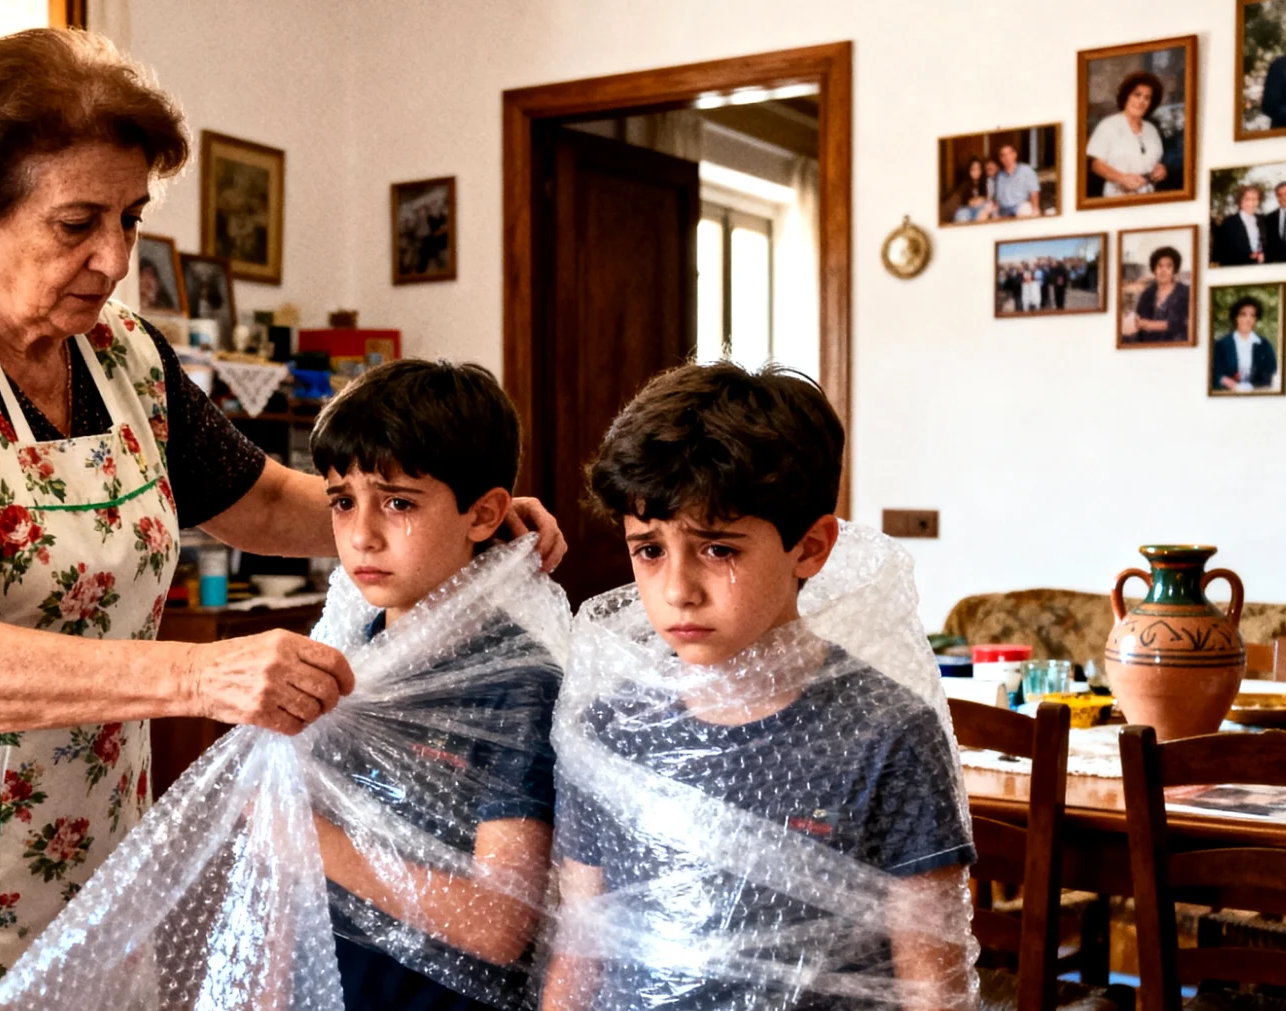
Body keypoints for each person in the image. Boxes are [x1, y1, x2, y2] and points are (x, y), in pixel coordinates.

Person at [0, 29, 566, 1011]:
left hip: (77, 814)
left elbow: (258, 499)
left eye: (129, 217)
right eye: (77, 223)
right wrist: (203, 672)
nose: (115, 259)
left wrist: (453, 535)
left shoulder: (122, 353)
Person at [542, 363, 975, 1011]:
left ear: (811, 547)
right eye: (649, 549)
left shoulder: (886, 730)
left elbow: (930, 983)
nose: (677, 588)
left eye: (718, 549)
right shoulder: (609, 728)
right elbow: (581, 954)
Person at [308, 359, 563, 1011]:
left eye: (397, 501)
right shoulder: (349, 645)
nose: (361, 532)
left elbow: (500, 924)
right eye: (343, 500)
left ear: (483, 515)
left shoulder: (515, 682)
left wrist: (311, 838)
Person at [1086, 71, 1168, 197]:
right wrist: (1121, 178)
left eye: (1147, 98)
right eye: (1137, 95)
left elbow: (1155, 161)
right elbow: (1096, 165)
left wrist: (1160, 169)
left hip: (1149, 197)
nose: (1141, 101)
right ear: (1126, 96)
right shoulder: (1109, 125)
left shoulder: (1152, 130)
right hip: (1117, 198)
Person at [1212, 297, 1280, 393]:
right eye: (1243, 314)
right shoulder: (1221, 345)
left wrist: (1252, 387)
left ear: (1256, 319)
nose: (1248, 319)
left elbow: (1271, 373)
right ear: (1236, 317)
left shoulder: (1264, 345)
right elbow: (1215, 374)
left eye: (1252, 315)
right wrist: (1226, 381)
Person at [1128, 245, 1190, 344]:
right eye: (1159, 266)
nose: (1163, 271)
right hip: (1147, 346)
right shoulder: (1147, 293)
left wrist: (1148, 325)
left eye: (1169, 266)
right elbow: (1138, 320)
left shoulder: (1185, 292)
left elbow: (1180, 324)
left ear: (1174, 270)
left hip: (1176, 345)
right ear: (1154, 269)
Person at [1214, 185, 1267, 266]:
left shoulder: (1263, 220)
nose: (1251, 203)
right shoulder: (1229, 223)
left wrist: (1262, 254)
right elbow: (1222, 253)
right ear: (1240, 201)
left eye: (1255, 199)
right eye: (1247, 199)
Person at [992, 142, 1042, 218]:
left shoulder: (1026, 170)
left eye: (1009, 154)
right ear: (1001, 159)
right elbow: (997, 199)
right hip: (1003, 210)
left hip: (1020, 207)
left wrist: (1035, 210)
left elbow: (1034, 193)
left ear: (1015, 154)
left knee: (1026, 209)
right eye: (1003, 155)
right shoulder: (999, 176)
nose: (1006, 157)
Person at [947, 156, 997, 223]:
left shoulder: (984, 183)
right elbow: (962, 203)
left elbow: (986, 199)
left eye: (979, 169)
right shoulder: (964, 186)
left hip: (978, 212)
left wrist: (982, 200)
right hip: (964, 212)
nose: (976, 172)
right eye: (973, 169)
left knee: (987, 208)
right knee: (963, 215)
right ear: (969, 170)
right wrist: (971, 202)